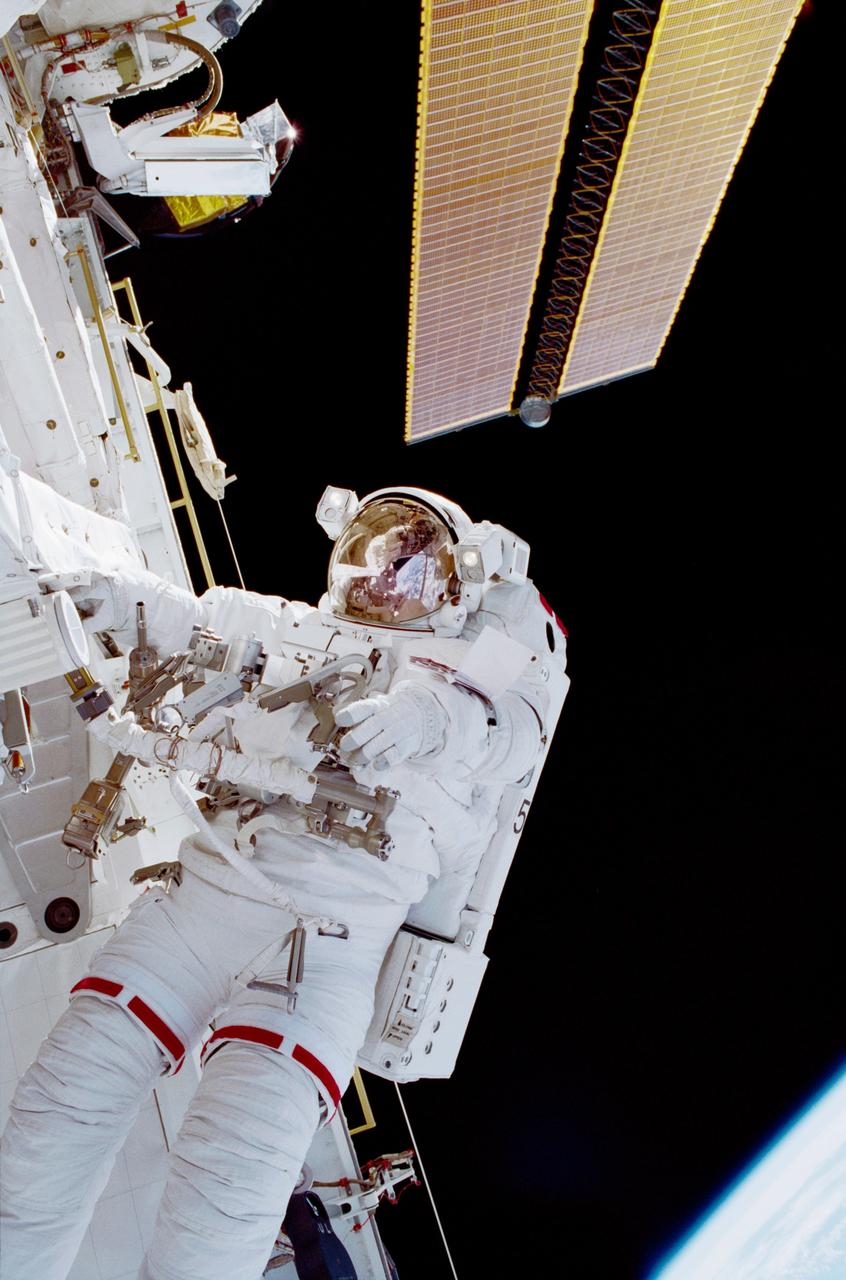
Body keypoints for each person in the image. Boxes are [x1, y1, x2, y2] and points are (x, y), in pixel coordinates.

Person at [0, 486, 566, 1280]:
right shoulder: (294, 628)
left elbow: (503, 726)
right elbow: (187, 617)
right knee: (53, 1122)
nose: (382, 580)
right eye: (372, 557)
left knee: (221, 1206)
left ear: (453, 584)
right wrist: (108, 595)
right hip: (204, 901)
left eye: (407, 569)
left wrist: (424, 718)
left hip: (330, 950)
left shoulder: (480, 669)